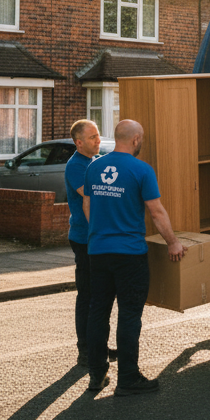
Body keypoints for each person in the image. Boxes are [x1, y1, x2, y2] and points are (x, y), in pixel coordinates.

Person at [83, 118, 185, 395]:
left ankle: (96, 375)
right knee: (129, 315)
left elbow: (87, 204)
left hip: (98, 251)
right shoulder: (141, 170)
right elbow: (156, 212)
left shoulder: (94, 167)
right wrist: (173, 243)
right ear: (136, 140)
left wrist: (99, 233)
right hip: (129, 254)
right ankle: (128, 378)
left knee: (98, 312)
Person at [64, 119, 117, 366]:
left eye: (98, 135)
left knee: (101, 295)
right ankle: (85, 350)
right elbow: (94, 195)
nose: (98, 140)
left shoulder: (95, 161)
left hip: (99, 237)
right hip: (84, 238)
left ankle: (100, 346)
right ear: (79, 142)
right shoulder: (76, 165)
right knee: (87, 295)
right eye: (93, 137)